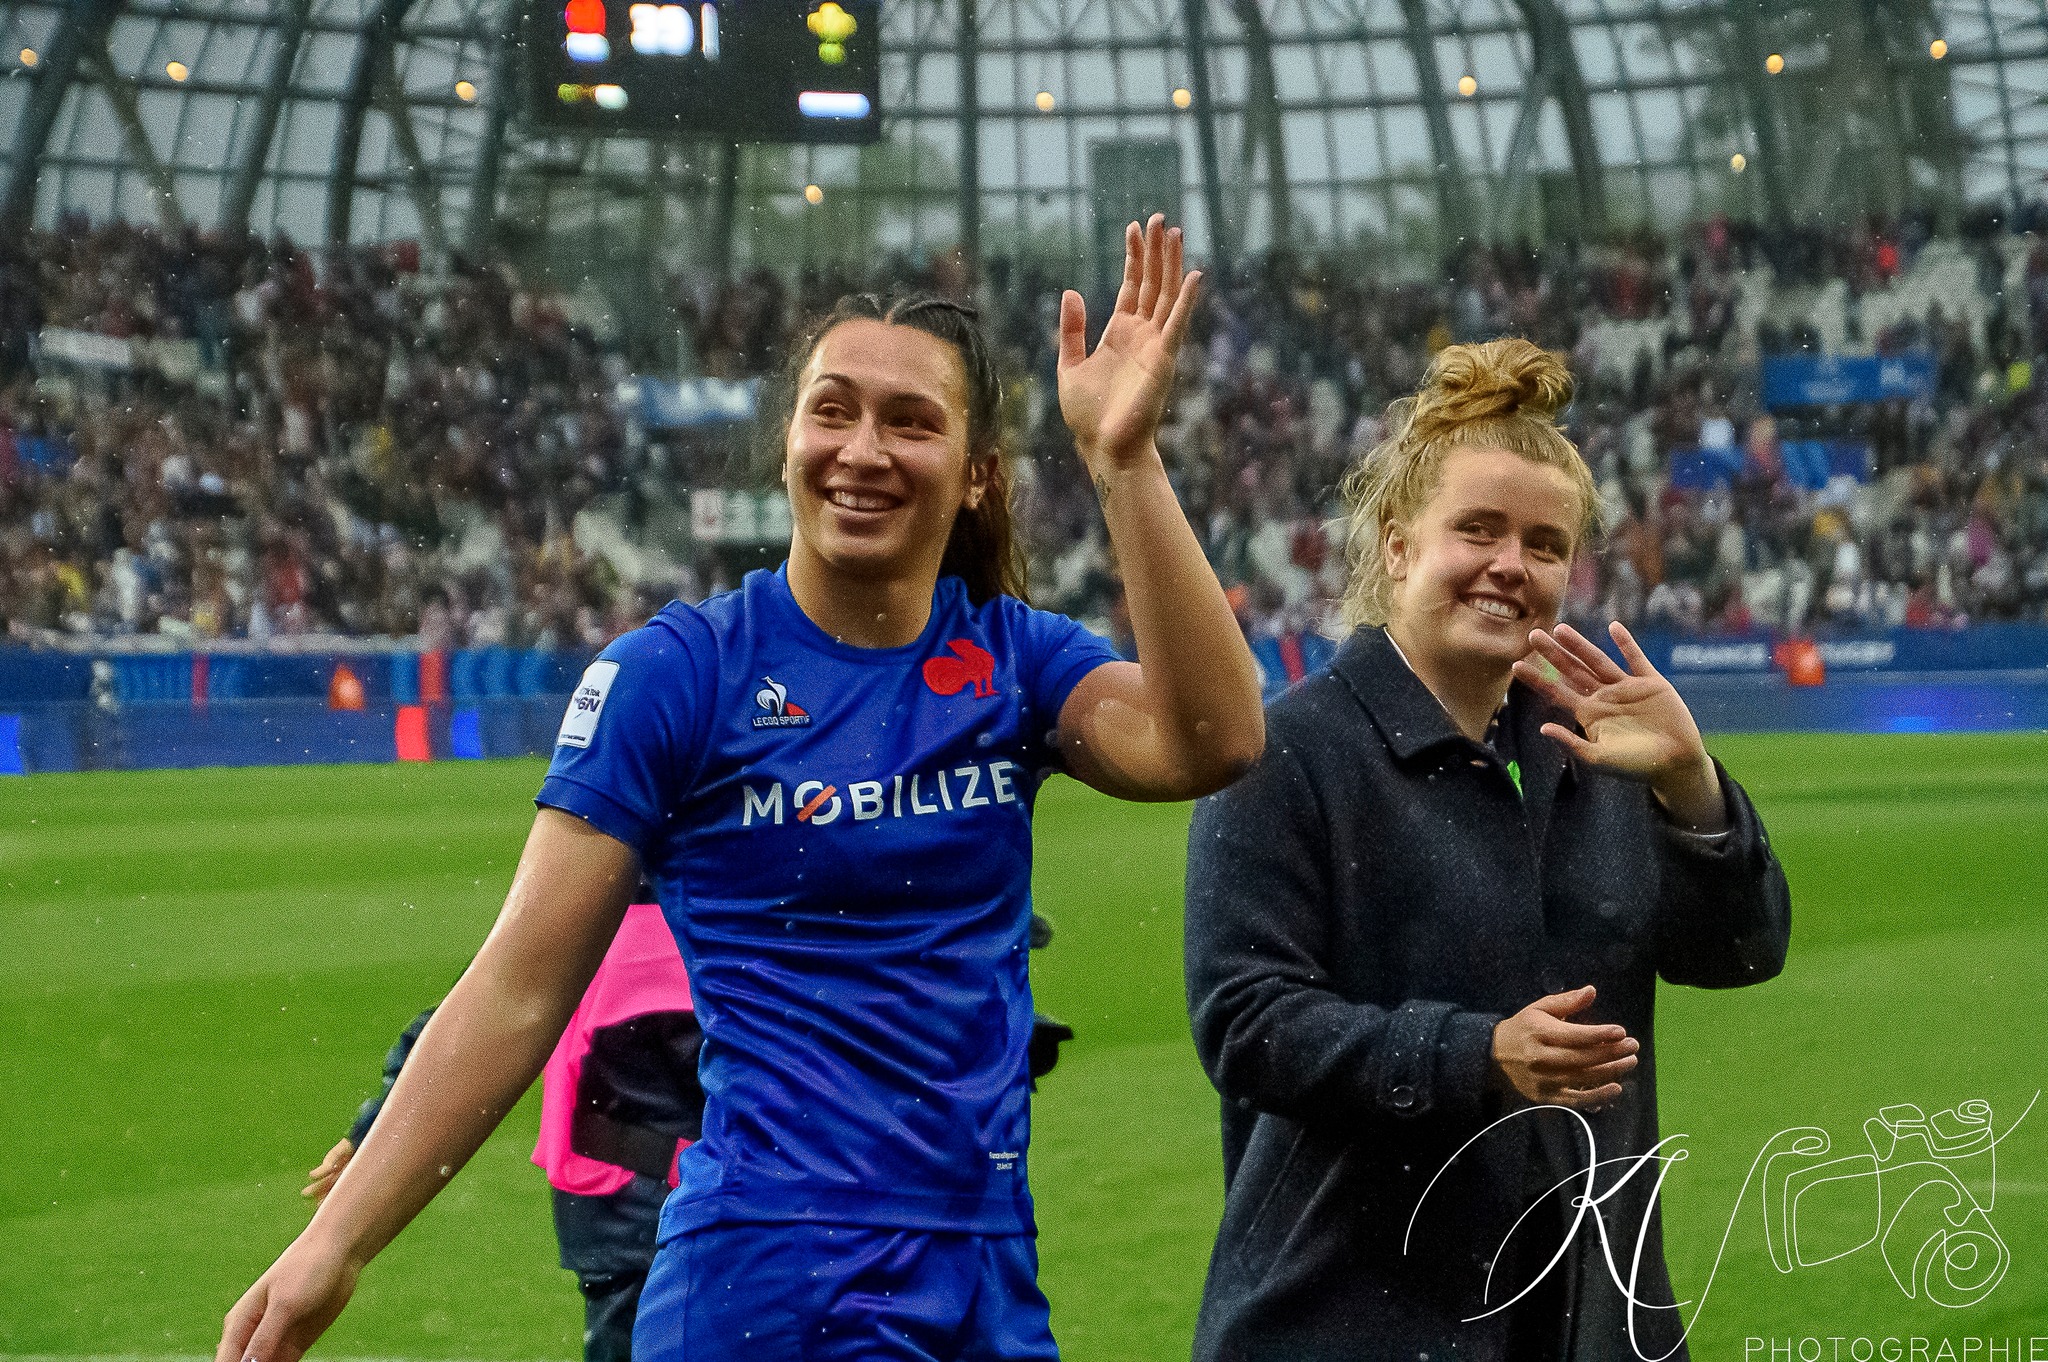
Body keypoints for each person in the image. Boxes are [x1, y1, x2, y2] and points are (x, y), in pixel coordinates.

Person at [219, 213, 1264, 1362]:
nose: (862, 450)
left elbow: (1209, 742)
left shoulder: (1012, 661)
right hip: (765, 1275)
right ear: (786, 443)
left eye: (910, 423)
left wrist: (1123, 461)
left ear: (974, 480)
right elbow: (519, 987)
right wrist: (339, 1245)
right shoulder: (676, 675)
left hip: (981, 1267)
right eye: (832, 409)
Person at [1183, 338, 1790, 1362]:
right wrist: (1475, 1055)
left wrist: (1689, 785)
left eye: (1545, 544)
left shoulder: (1591, 752)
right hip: (1346, 1320)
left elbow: (1735, 954)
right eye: (1477, 529)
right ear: (1394, 548)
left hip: (1589, 1321)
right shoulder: (1284, 751)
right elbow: (1246, 1026)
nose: (1511, 565)